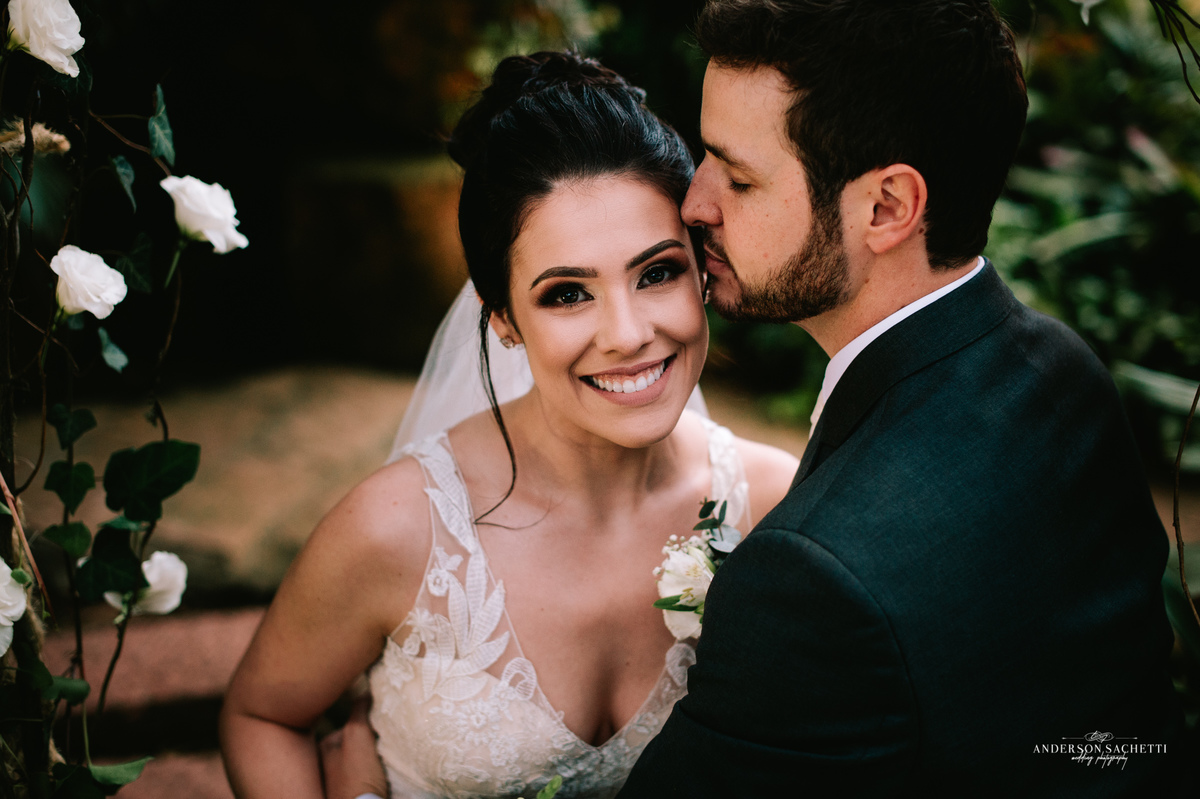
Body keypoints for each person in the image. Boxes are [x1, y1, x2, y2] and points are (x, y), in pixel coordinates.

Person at [614, 0, 1186, 796]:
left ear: (886, 207)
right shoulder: (1066, 377)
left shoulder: (812, 583)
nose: (695, 202)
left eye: (738, 176)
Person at [219, 51, 798, 799]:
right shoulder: (396, 529)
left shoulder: (775, 508)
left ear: (703, 268)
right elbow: (263, 714)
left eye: (657, 272)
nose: (627, 333)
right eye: (566, 294)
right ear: (504, 322)